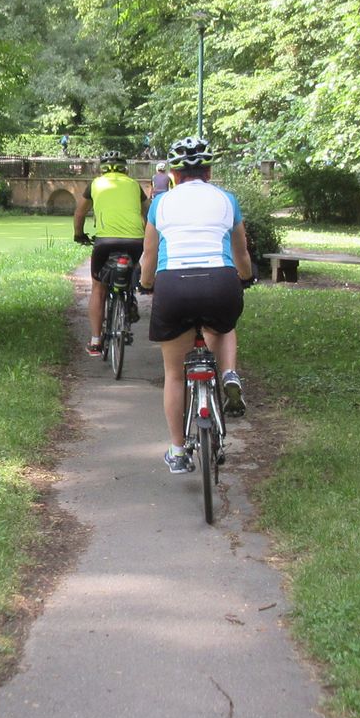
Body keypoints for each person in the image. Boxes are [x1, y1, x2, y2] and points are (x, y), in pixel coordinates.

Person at [138, 136, 253, 473]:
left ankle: (177, 452)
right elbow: (241, 252)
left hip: (173, 285)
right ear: (209, 172)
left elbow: (149, 256)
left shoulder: (160, 204)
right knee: (225, 324)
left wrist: (146, 283)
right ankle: (229, 373)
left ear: (173, 174)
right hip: (220, 280)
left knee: (175, 375)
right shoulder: (227, 199)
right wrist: (246, 277)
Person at [72, 150, 147, 357]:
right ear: (125, 169)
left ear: (102, 169)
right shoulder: (134, 185)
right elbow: (148, 213)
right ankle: (129, 299)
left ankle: (96, 341)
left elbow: (79, 213)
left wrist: (79, 235)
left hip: (105, 241)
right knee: (133, 266)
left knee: (98, 287)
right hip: (135, 240)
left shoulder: (95, 184)